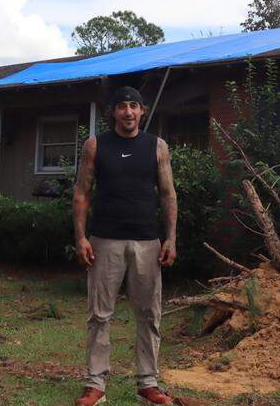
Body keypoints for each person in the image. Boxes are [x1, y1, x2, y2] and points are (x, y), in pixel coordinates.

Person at [72, 85, 179, 406]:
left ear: (143, 111)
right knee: (99, 315)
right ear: (113, 112)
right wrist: (80, 237)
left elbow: (168, 194)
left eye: (134, 106)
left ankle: (147, 384)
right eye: (122, 106)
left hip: (147, 242)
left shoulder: (157, 147)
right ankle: (95, 385)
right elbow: (81, 193)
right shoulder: (96, 145)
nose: (128, 112)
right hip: (104, 241)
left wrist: (171, 237)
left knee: (148, 314)